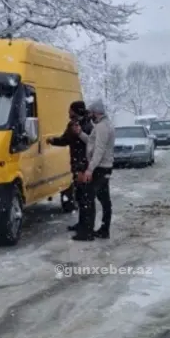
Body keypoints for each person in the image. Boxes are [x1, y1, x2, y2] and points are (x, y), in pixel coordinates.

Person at [47, 101, 93, 234]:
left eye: (70, 111)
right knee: (79, 197)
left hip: (83, 166)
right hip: (76, 165)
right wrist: (53, 141)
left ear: (77, 111)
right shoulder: (72, 124)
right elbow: (65, 140)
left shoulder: (87, 125)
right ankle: (81, 224)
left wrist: (82, 169)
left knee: (85, 198)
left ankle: (86, 228)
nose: (68, 113)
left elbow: (88, 148)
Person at [74, 99, 115, 240]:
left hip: (100, 168)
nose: (89, 114)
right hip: (105, 167)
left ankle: (87, 232)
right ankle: (104, 230)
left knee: (88, 198)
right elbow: (92, 143)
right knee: (104, 199)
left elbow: (99, 149)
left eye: (91, 112)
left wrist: (90, 169)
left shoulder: (102, 127)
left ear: (96, 112)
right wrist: (80, 134)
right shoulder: (102, 126)